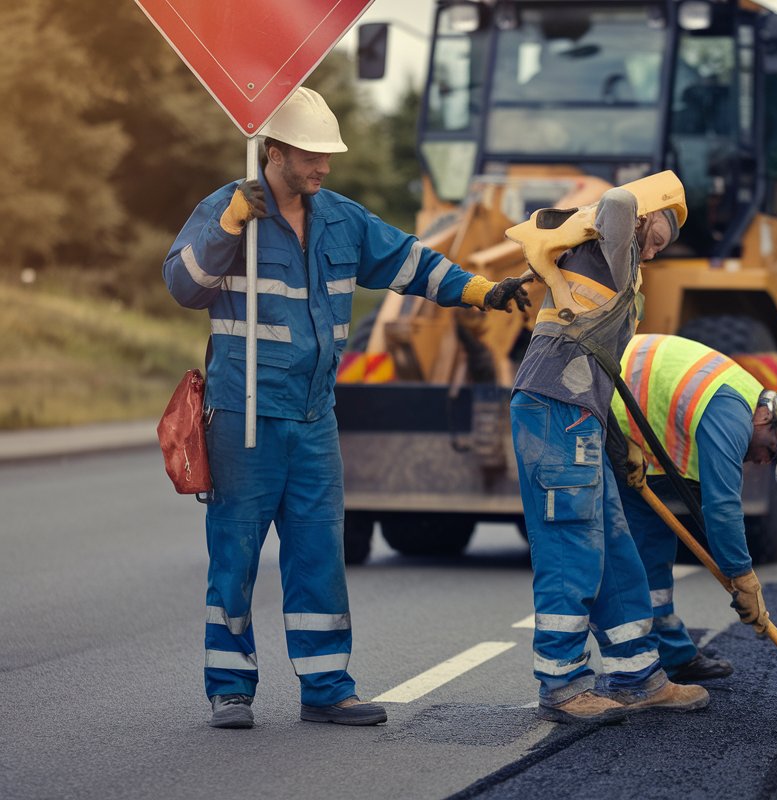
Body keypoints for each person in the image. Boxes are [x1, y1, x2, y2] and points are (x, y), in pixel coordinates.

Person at [163, 87, 531, 729]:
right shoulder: (226, 211)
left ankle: (327, 687)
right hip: (245, 417)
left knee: (319, 555)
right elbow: (183, 284)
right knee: (236, 555)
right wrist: (228, 226)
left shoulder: (339, 218)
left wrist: (481, 290)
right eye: (311, 155)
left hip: (314, 419)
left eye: (327, 156)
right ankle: (230, 688)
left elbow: (411, 263)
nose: (324, 166)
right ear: (273, 151)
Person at [509, 183, 710, 724]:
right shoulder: (607, 242)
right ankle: (562, 683)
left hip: (582, 417)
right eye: (662, 233)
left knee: (617, 551)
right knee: (571, 548)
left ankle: (637, 675)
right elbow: (620, 200)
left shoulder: (618, 268)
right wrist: (626, 216)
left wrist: (620, 445)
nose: (659, 248)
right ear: (649, 214)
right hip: (553, 409)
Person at [608, 334, 777, 681]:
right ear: (765, 420)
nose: (762, 461)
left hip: (633, 436)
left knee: (651, 549)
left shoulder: (743, 400)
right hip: (599, 403)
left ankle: (673, 657)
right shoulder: (730, 414)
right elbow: (722, 507)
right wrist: (744, 578)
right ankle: (630, 672)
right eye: (771, 451)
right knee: (620, 556)